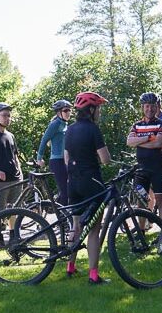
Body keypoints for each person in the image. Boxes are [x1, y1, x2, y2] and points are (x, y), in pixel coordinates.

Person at [63, 91, 112, 284]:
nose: (99, 112)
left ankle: (70, 266)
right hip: (91, 182)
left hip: (73, 182)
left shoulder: (71, 130)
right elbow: (105, 159)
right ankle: (93, 275)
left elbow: (67, 157)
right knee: (93, 230)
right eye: (98, 108)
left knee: (75, 226)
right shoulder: (93, 129)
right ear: (91, 109)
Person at [126, 92, 162, 224]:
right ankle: (141, 231)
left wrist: (139, 141)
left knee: (161, 200)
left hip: (157, 167)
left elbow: (159, 143)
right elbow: (129, 142)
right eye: (146, 106)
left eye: (152, 106)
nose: (149, 109)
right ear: (142, 107)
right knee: (141, 201)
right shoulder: (137, 125)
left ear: (157, 107)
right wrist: (149, 137)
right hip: (141, 169)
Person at [35, 99, 72, 205]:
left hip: (64, 160)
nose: (68, 112)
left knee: (67, 189)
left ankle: (57, 210)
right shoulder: (55, 124)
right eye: (65, 110)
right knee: (65, 191)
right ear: (59, 112)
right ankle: (63, 219)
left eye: (69, 110)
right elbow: (44, 139)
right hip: (56, 161)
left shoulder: (65, 124)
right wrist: (39, 158)